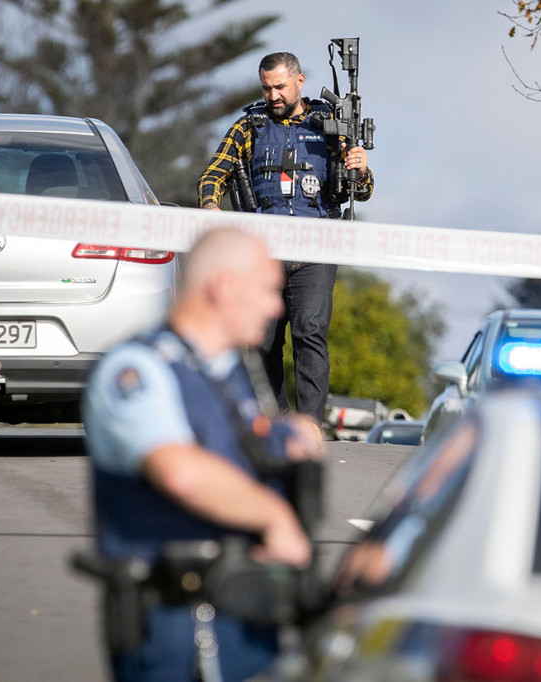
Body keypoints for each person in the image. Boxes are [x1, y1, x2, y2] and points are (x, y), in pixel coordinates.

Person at [82, 228, 324, 682]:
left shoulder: (231, 372)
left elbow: (233, 448)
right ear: (223, 286)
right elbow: (180, 471)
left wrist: (286, 437)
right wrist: (275, 517)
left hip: (247, 622)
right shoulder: (137, 370)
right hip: (180, 633)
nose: (277, 307)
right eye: (268, 289)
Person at [197, 51, 374, 430]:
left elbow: (362, 191)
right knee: (262, 341)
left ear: (299, 82)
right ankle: (274, 427)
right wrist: (211, 204)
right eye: (266, 88)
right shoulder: (249, 127)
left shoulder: (329, 124)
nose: (273, 95)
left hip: (316, 247)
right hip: (263, 252)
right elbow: (213, 173)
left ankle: (309, 428)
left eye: (279, 86)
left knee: (310, 334)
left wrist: (361, 167)